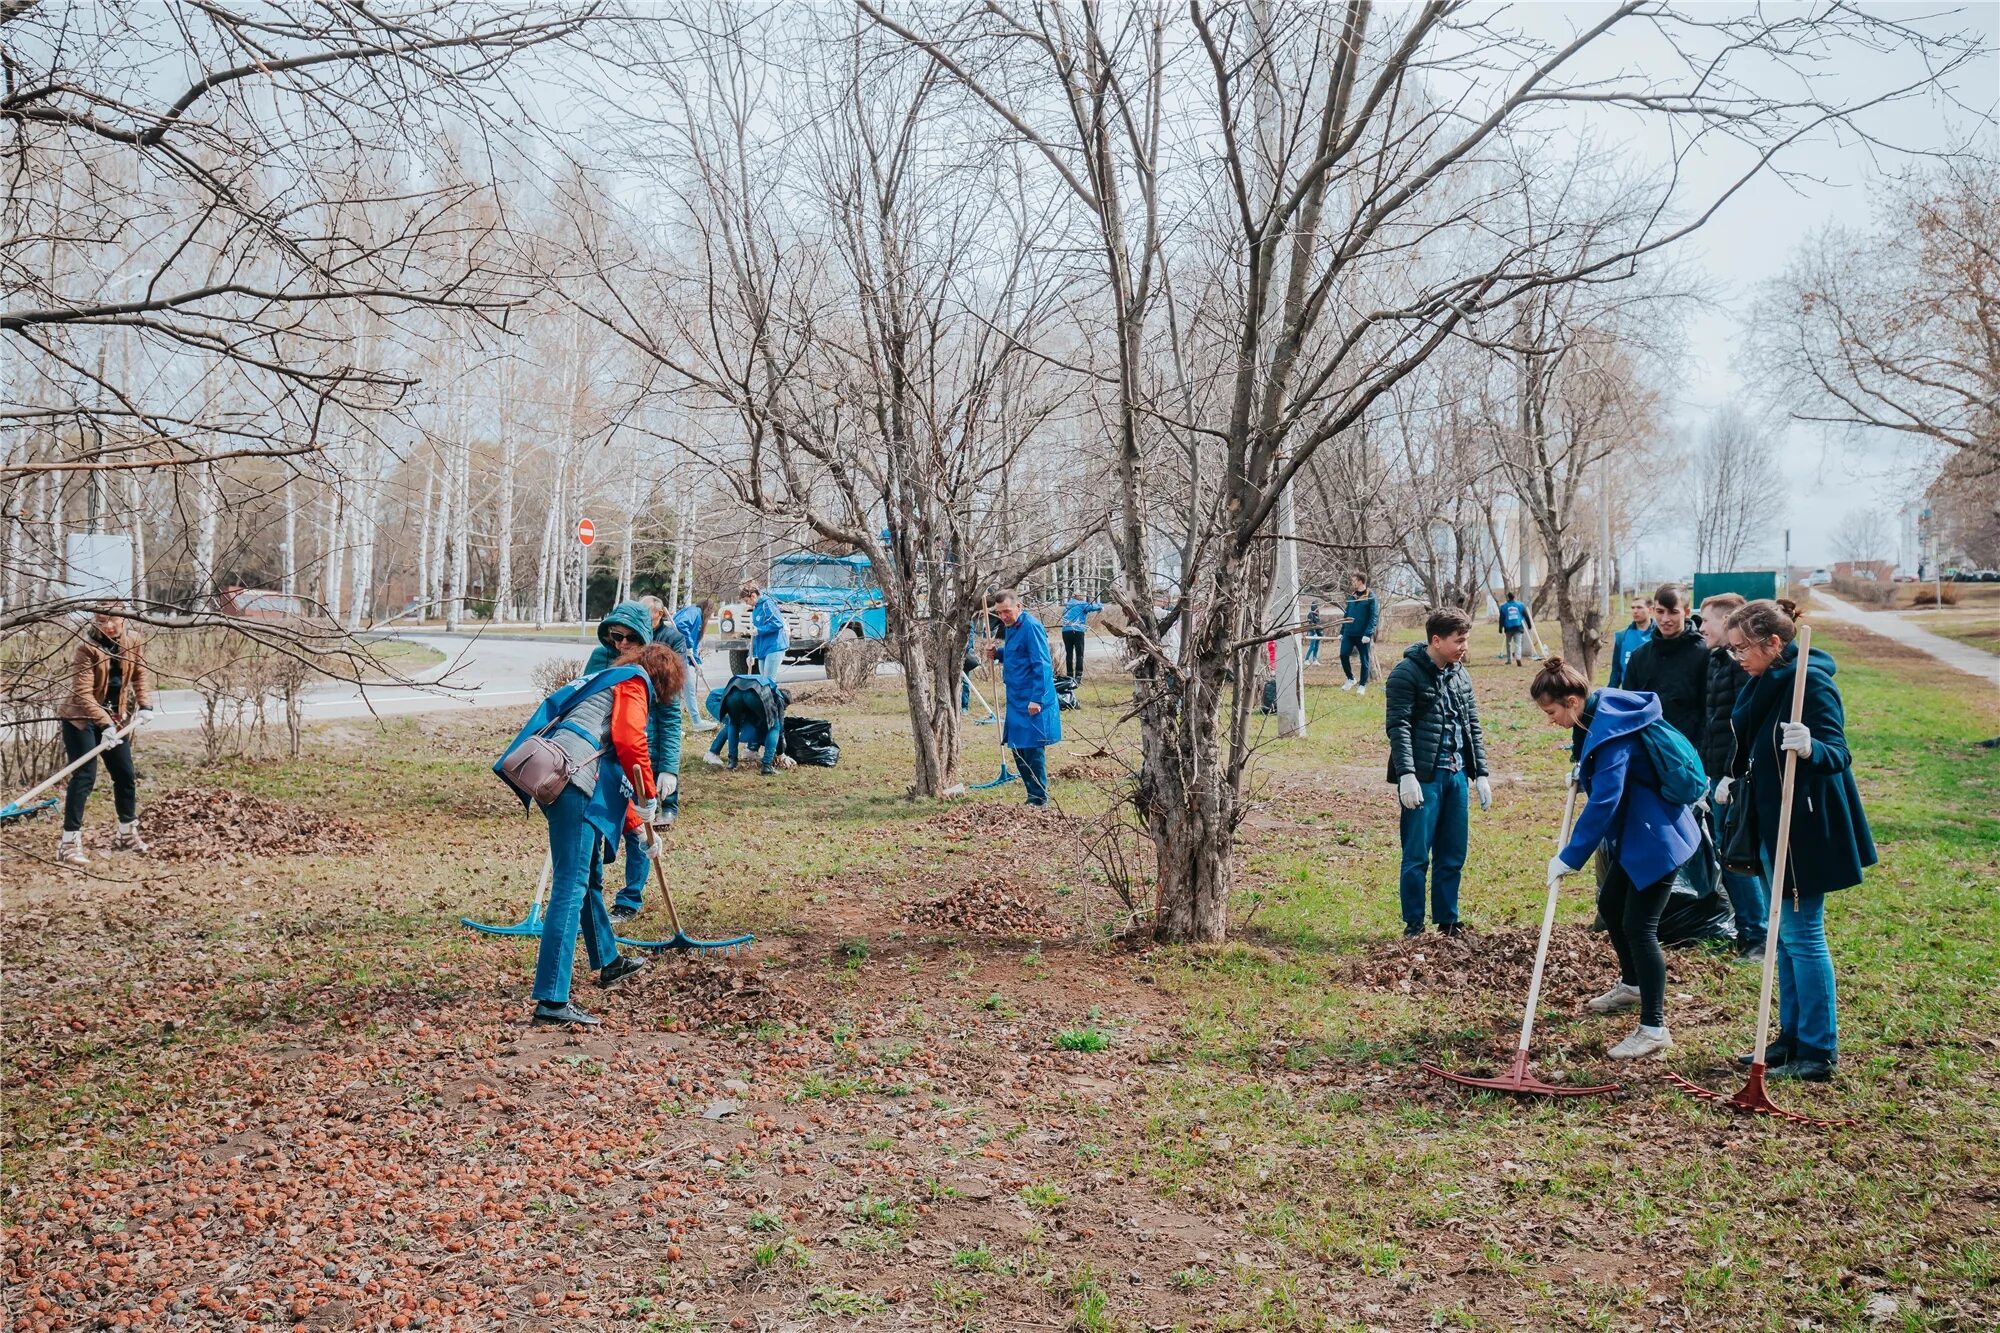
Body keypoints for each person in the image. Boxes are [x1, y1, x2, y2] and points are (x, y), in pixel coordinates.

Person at [1716, 599, 1875, 1082]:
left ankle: (1818, 1050)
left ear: (1774, 644)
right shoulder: (1763, 680)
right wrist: (1733, 776)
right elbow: (1751, 743)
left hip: (1803, 827)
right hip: (1768, 820)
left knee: (1804, 938)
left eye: (1742, 648)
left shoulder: (1812, 683)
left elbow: (1839, 754)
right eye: (1731, 649)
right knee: (1783, 937)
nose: (1736, 657)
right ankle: (1791, 1038)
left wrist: (1809, 746)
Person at [495, 642, 681, 1026]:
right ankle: (552, 999)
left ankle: (608, 961)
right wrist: (648, 795)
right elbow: (631, 742)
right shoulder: (635, 681)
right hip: (573, 784)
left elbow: (612, 768)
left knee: (588, 877)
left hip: (558, 779)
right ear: (663, 678)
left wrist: (640, 828)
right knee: (571, 885)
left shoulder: (607, 680)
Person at [1534, 657, 1702, 1060]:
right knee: (1611, 905)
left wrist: (1570, 856)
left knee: (1640, 927)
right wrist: (1580, 768)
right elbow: (1595, 756)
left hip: (1655, 839)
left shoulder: (1611, 731)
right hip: (1638, 833)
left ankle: (1654, 1028)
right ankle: (1632, 986)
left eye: (1552, 712)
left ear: (1573, 701)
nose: (1550, 720)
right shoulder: (1600, 708)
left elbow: (1606, 801)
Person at [1383, 607, 1492, 937]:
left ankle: (1448, 922)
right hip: (1425, 778)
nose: (1464, 647)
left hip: (1456, 777)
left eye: (1466, 640)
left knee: (1452, 854)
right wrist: (1407, 774)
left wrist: (1481, 773)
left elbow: (1472, 725)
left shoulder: (1461, 675)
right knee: (1417, 855)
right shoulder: (1405, 674)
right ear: (1436, 640)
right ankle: (1413, 925)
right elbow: (1398, 727)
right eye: (1459, 641)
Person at [56, 607, 158, 866]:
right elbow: (82, 693)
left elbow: (139, 673)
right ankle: (68, 843)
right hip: (82, 719)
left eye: (111, 620)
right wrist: (104, 725)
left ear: (122, 618)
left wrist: (145, 705)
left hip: (114, 718)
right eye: (101, 621)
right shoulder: (86, 649)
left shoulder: (133, 641)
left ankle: (125, 834)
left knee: (125, 774)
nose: (107, 626)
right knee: (84, 777)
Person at [1698, 592, 1766, 959]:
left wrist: (1730, 776)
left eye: (1705, 620)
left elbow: (1747, 727)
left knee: (1738, 858)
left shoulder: (1742, 668)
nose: (1701, 627)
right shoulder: (1717, 662)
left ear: (1725, 623)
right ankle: (1745, 931)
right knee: (1727, 857)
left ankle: (1757, 936)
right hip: (1714, 775)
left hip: (1734, 781)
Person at [992, 589, 1060, 807]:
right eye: (999, 613)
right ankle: (1031, 795)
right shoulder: (1011, 628)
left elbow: (1042, 663)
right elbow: (1017, 653)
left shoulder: (1031, 627)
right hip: (1015, 697)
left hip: (1031, 698)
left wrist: (1037, 699)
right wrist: (997, 653)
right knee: (1018, 747)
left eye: (1007, 612)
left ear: (1018, 607)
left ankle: (1039, 799)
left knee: (1032, 748)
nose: (1003, 617)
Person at [704, 672, 788, 774]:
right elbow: (779, 727)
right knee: (774, 726)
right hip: (752, 691)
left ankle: (732, 762)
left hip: (734, 689)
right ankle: (767, 765)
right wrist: (781, 753)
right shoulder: (779, 698)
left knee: (734, 724)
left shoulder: (769, 688)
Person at [674, 600, 715, 732]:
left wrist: (697, 664)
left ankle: (676, 725)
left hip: (682, 655)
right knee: (688, 688)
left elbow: (694, 644)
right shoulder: (694, 611)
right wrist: (689, 645)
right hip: (676, 654)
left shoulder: (697, 616)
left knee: (682, 690)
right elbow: (681, 625)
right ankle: (696, 722)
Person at [1339, 571, 1380, 696]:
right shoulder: (1352, 596)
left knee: (1364, 660)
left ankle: (1362, 685)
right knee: (1343, 655)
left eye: (1354, 580)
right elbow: (1347, 614)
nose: (1352, 582)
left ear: (1361, 581)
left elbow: (1374, 617)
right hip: (1349, 633)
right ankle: (1351, 679)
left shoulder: (1371, 596)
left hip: (1363, 635)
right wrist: (1342, 631)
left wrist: (1368, 634)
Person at [1606, 595, 1654, 688]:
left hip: (1654, 695)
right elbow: (1616, 671)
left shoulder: (1660, 634)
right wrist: (1609, 693)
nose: (1635, 611)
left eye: (1639, 607)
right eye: (1633, 608)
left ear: (1650, 610)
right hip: (1630, 694)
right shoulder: (1622, 636)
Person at [744, 581, 788, 674]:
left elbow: (778, 623)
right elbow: (755, 635)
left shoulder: (767, 604)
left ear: (753, 596)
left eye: (746, 601)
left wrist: (759, 630)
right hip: (763, 648)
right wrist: (751, 654)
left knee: (768, 681)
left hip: (774, 646)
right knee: (763, 681)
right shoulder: (756, 608)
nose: (747, 604)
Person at [1060, 595, 1101, 680]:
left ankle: (1069, 675)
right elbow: (1092, 607)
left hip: (1065, 631)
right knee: (1079, 654)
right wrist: (1101, 605)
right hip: (1077, 630)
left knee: (1069, 653)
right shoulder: (1081, 604)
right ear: (1080, 598)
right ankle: (1078, 676)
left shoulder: (1066, 608)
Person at [1496, 590, 1533, 666]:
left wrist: (1500, 628)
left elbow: (1502, 618)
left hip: (1508, 628)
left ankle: (1509, 660)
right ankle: (1518, 658)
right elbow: (1526, 616)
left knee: (1508, 644)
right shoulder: (1520, 605)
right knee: (1518, 644)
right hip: (1518, 627)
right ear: (1514, 597)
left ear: (1508, 598)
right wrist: (1529, 625)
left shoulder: (1503, 607)